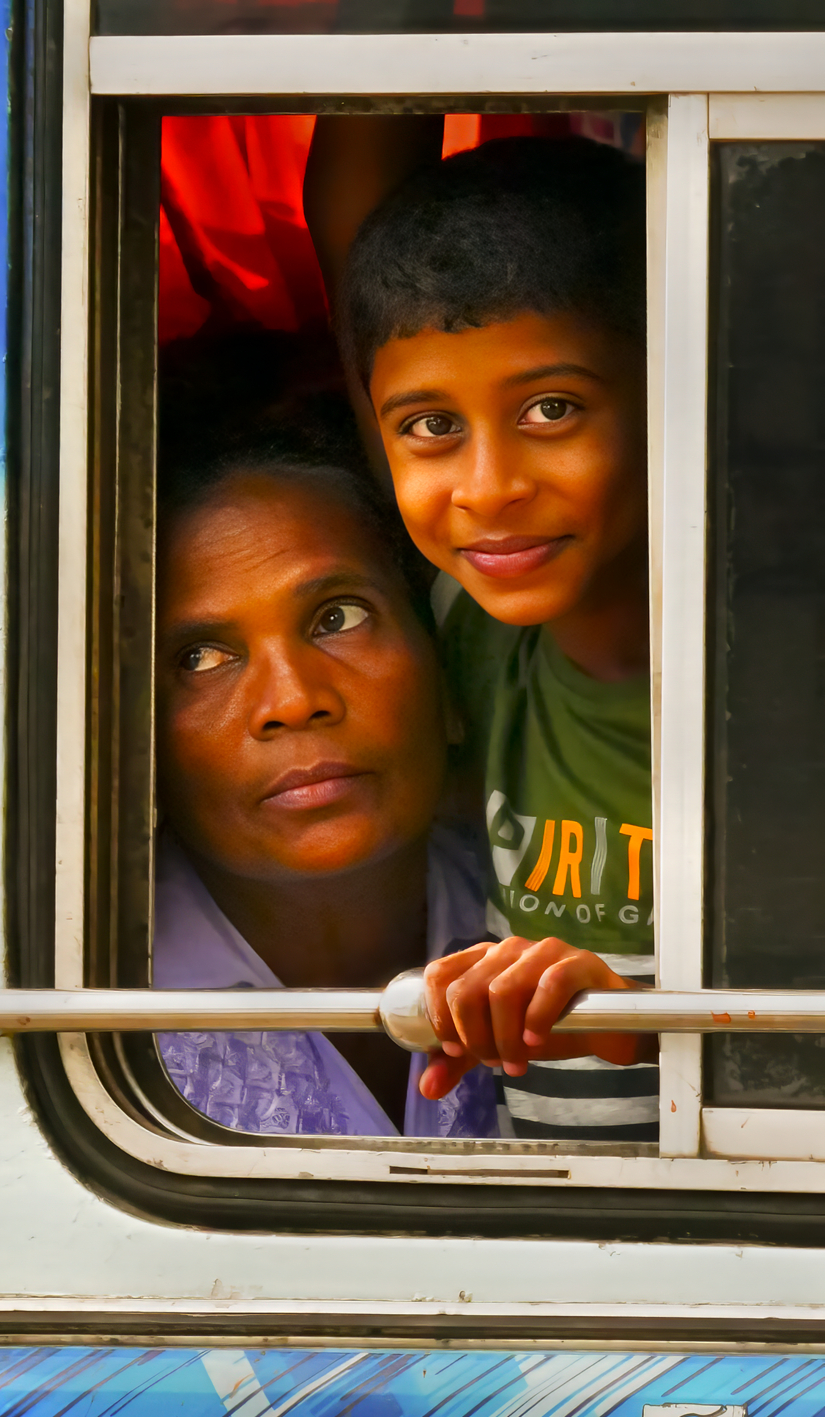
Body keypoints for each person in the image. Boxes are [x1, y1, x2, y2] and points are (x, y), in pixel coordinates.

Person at [329, 134, 659, 1142]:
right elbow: (351, 225)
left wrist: (638, 1025)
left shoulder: (775, 669)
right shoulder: (475, 624)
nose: (487, 488)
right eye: (430, 426)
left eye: (552, 409)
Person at [151, 418, 501, 1137]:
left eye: (337, 618)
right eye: (202, 659)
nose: (292, 700)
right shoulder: (85, 1003)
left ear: (445, 668)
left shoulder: (551, 910)